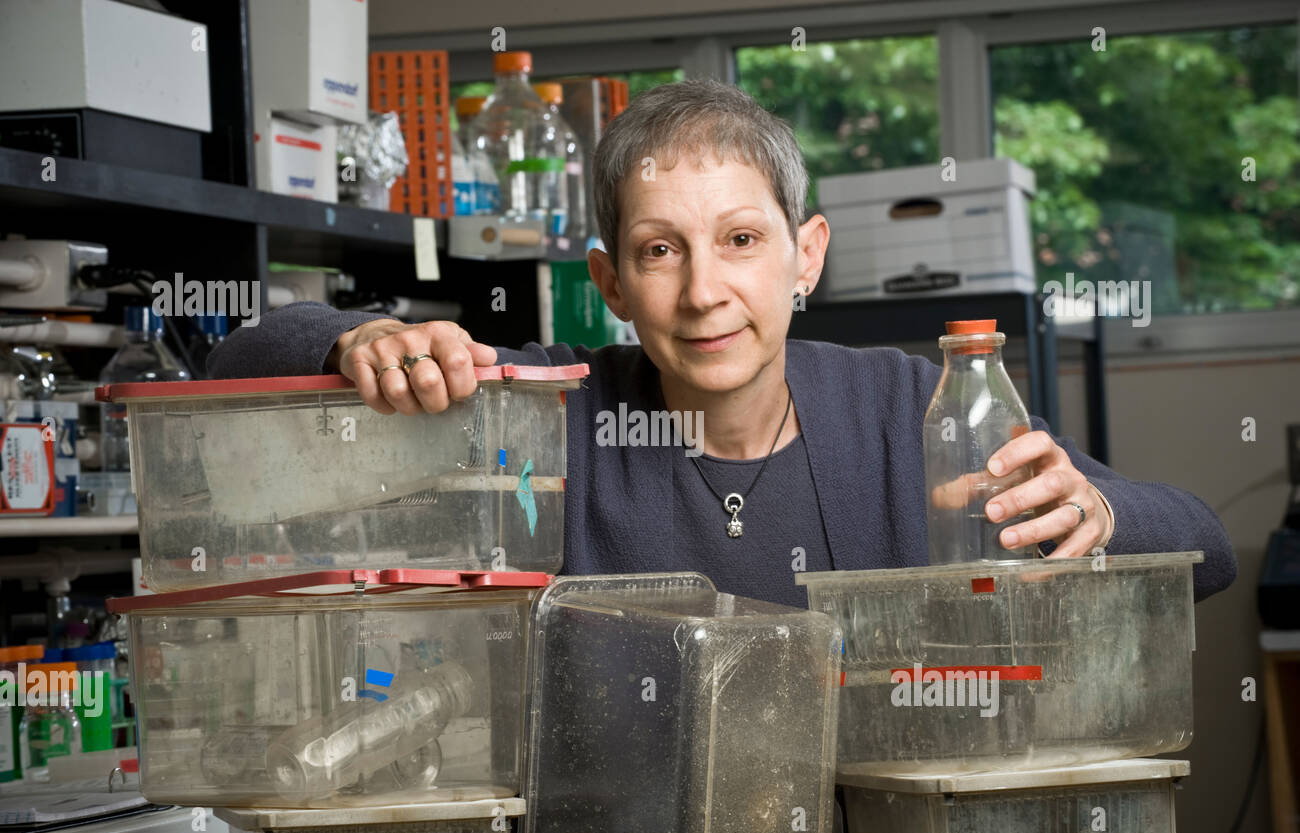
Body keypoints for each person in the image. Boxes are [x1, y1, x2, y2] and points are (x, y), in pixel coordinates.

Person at [208, 79, 1236, 607]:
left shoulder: (909, 407)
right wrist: (362, 337)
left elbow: (1207, 546)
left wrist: (1095, 512)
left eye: (741, 240)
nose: (704, 293)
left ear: (805, 256)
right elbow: (240, 353)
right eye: (660, 251)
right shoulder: (543, 410)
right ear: (609, 282)